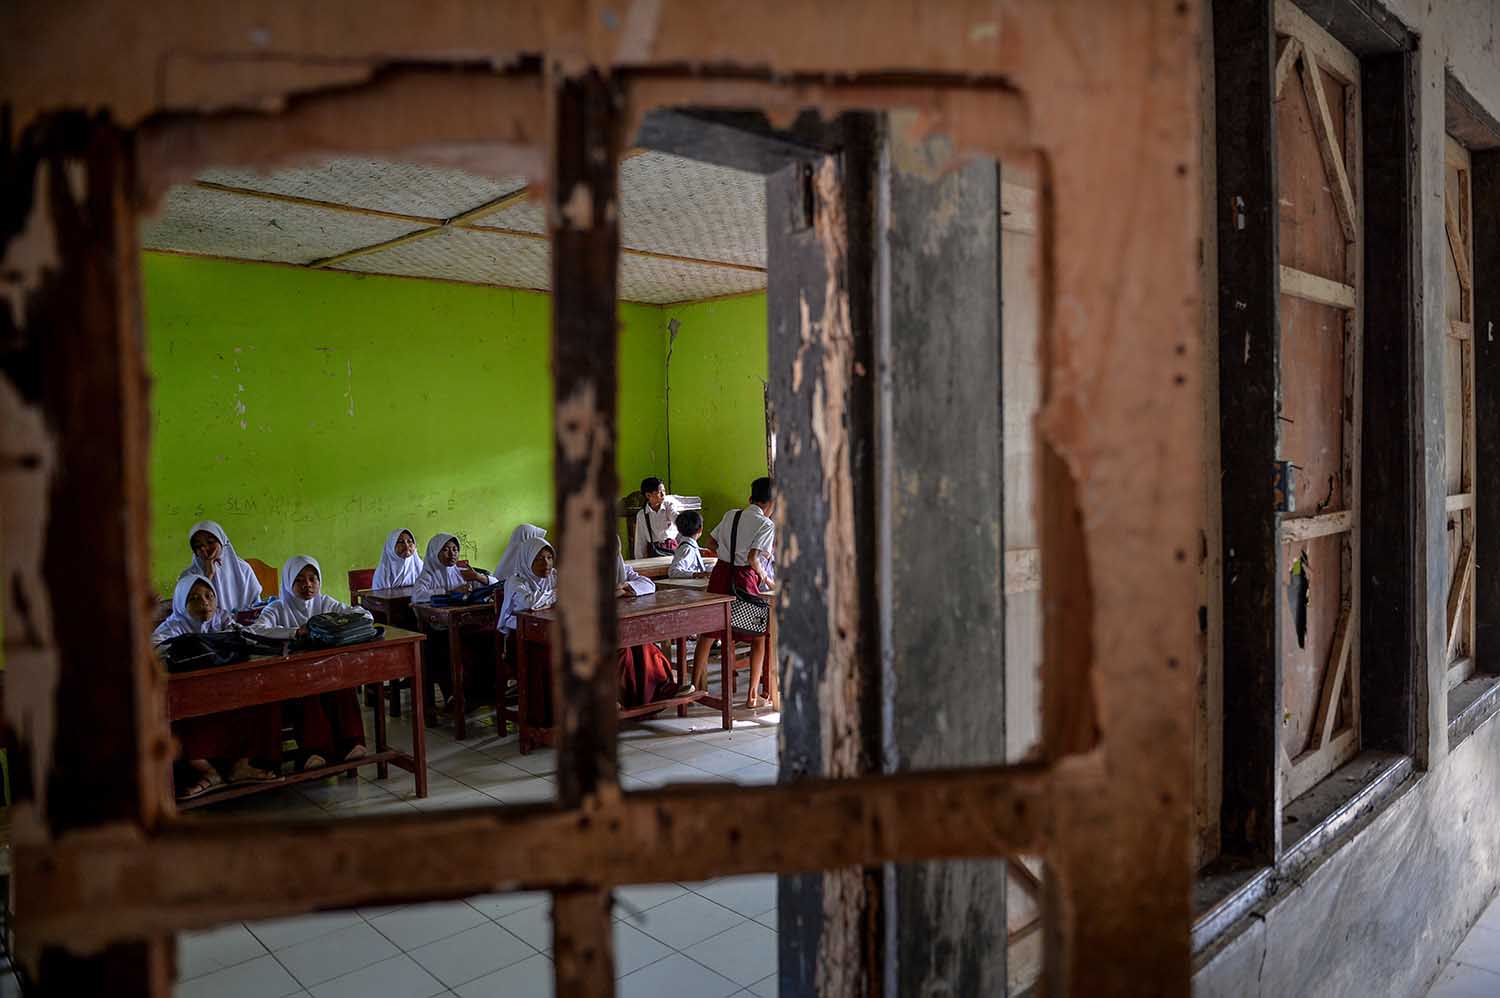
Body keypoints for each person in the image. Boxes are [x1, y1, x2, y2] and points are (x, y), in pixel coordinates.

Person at [153, 574, 280, 799]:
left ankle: (241, 766)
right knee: (178, 716)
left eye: (209, 596)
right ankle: (208, 772)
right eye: (194, 598)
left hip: (228, 694)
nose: (204, 603)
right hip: (190, 699)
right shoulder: (172, 627)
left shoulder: (223, 619)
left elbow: (248, 637)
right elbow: (153, 652)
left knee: (265, 699)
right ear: (182, 603)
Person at [250, 556, 370, 769]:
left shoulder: (324, 603)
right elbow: (255, 630)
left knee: (344, 687)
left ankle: (351, 743)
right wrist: (295, 632)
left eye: (313, 579)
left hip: (326, 672)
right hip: (292, 678)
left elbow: (364, 615)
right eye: (300, 580)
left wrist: (337, 624)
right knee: (306, 693)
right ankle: (315, 751)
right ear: (288, 583)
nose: (308, 585)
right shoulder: (278, 608)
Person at [695, 476, 776, 708]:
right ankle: (752, 696)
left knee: (710, 630)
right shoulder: (766, 525)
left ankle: (696, 687)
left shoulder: (732, 514)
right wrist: (767, 580)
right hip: (743, 579)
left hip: (720, 575)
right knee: (759, 635)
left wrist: (728, 556)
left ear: (750, 498)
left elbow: (711, 543)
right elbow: (753, 558)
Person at [179, 520, 262, 612]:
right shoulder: (187, 577)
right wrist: (208, 576)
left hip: (244, 624)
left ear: (222, 542)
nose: (204, 548)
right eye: (198, 546)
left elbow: (256, 606)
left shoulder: (243, 569)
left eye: (210, 542)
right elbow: (188, 613)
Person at [412, 532, 494, 604]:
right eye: (446, 550)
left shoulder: (463, 573)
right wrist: (452, 592)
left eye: (455, 550)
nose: (452, 554)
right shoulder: (428, 575)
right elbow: (417, 596)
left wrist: (478, 577)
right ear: (434, 552)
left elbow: (497, 585)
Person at [633, 477, 682, 558]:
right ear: (648, 495)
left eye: (664, 491)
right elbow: (640, 541)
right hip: (654, 551)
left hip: (671, 548)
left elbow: (678, 520)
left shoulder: (668, 506)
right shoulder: (642, 515)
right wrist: (639, 560)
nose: (663, 495)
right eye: (659, 492)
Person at [667, 510, 711, 579]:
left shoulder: (690, 547)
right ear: (700, 529)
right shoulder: (687, 549)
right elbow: (673, 572)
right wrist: (696, 574)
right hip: (689, 588)